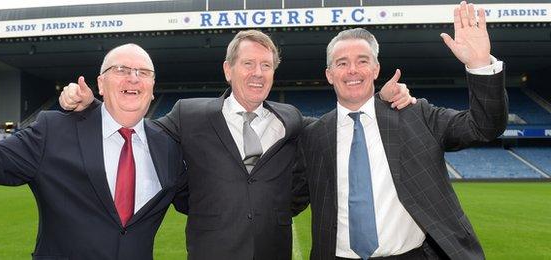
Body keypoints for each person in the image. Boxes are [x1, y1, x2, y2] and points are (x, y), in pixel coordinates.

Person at [61, 30, 415, 260]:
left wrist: (380, 100)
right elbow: (139, 129)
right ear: (228, 70)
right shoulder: (190, 113)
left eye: (266, 65)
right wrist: (91, 104)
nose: (258, 73)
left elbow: (337, 127)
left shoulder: (290, 119)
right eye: (248, 64)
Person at [292, 2, 507, 259]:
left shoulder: (415, 115)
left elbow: (484, 126)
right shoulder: (314, 136)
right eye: (341, 63)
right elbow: (290, 199)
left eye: (362, 61)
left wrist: (480, 64)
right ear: (329, 74)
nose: (352, 70)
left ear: (376, 69)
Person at [0, 44, 188, 260]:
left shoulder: (168, 148)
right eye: (121, 70)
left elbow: (205, 201)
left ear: (153, 87)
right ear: (101, 83)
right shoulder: (54, 131)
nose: (133, 78)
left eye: (143, 72)